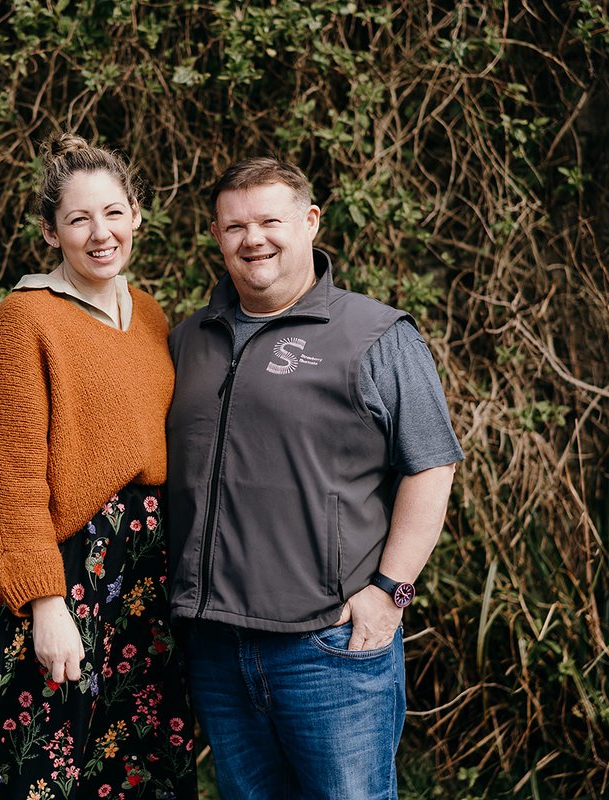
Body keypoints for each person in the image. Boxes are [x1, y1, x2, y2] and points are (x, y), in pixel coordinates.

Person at [166, 157, 464, 800]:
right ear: (216, 236)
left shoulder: (376, 334)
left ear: (310, 222)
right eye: (235, 226)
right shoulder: (189, 340)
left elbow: (431, 465)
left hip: (328, 647)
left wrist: (391, 593)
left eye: (270, 220)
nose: (254, 240)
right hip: (216, 648)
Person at [0, 133, 197, 800]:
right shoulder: (25, 321)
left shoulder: (151, 317)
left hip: (140, 581)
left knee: (130, 761)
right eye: (78, 219)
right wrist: (46, 603)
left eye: (112, 213)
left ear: (137, 214)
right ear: (51, 232)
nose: (100, 233)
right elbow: (7, 475)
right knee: (41, 764)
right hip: (62, 573)